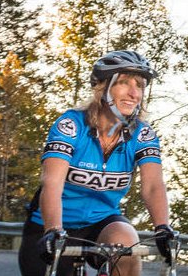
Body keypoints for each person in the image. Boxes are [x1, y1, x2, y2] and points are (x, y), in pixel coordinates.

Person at [18, 50, 179, 276]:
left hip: (102, 223)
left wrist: (162, 227)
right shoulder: (71, 125)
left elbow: (153, 186)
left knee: (126, 243)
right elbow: (52, 182)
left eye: (140, 85)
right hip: (51, 224)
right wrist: (53, 230)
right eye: (124, 82)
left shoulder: (143, 135)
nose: (134, 93)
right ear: (102, 88)